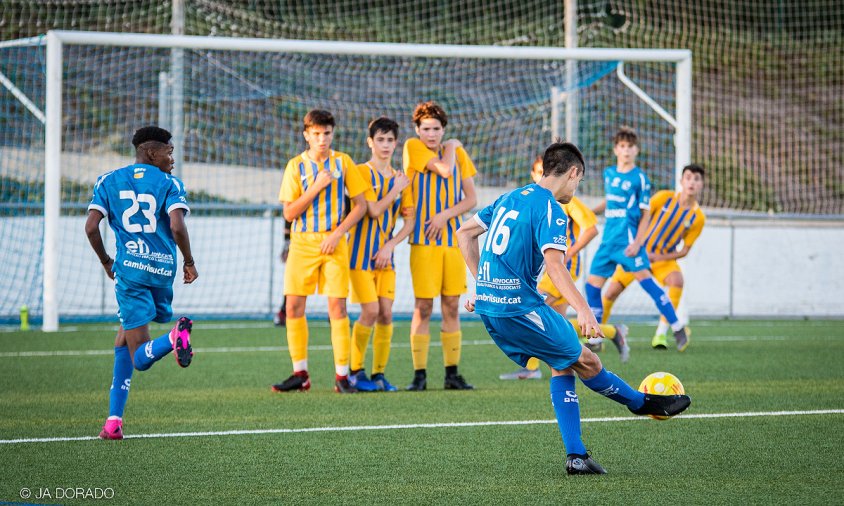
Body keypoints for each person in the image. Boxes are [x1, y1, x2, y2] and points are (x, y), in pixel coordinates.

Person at [456, 141, 691, 475]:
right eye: (579, 182)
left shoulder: (511, 197)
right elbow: (556, 266)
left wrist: (482, 284)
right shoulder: (552, 209)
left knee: (562, 363)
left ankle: (577, 456)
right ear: (572, 172)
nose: (576, 188)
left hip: (494, 307)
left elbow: (464, 232)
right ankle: (641, 404)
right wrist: (584, 309)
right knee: (587, 359)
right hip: (520, 309)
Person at [85, 126, 197, 440]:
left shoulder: (108, 181)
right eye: (169, 152)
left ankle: (173, 337)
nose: (172, 159)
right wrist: (188, 261)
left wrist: (108, 262)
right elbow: (176, 226)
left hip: (131, 275)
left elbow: (92, 227)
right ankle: (113, 421)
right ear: (151, 152)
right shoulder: (170, 183)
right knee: (123, 342)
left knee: (140, 358)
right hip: (162, 273)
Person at [500, 156, 629, 381]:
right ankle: (612, 332)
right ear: (536, 175)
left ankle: (531, 368)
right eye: (539, 171)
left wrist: (570, 251)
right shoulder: (535, 201)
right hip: (548, 269)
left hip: (561, 268)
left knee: (530, 311)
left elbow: (591, 228)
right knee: (556, 323)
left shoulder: (565, 201)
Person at [271, 109, 371, 394]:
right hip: (303, 243)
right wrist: (316, 187)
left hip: (335, 242)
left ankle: (342, 377)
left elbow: (361, 206)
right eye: (316, 134)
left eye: (327, 133)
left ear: (332, 133)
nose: (322, 139)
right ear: (306, 135)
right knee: (293, 307)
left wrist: (338, 233)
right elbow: (289, 213)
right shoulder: (295, 166)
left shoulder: (344, 162)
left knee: (337, 307)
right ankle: (300, 374)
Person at [585, 127, 689, 351]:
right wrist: (589, 213)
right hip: (608, 242)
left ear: (636, 150)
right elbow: (609, 202)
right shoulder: (609, 174)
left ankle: (677, 326)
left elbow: (646, 213)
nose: (626, 151)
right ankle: (595, 338)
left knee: (648, 284)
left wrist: (638, 243)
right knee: (592, 287)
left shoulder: (640, 178)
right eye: (622, 146)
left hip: (629, 242)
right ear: (615, 149)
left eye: (630, 147)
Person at [403, 101, 477, 391]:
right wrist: (452, 146)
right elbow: (445, 170)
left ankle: (451, 374)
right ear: (417, 130)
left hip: (452, 241)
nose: (431, 134)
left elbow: (471, 199)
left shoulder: (458, 154)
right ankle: (419, 375)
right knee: (422, 307)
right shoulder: (414, 147)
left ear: (443, 129)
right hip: (423, 242)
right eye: (426, 129)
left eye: (436, 129)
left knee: (451, 306)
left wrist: (445, 215)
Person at [601, 164, 706, 349]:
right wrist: (636, 243)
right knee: (610, 293)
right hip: (638, 254)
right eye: (688, 177)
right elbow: (642, 214)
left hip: (662, 259)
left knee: (677, 280)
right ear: (681, 181)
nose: (692, 182)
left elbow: (684, 250)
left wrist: (659, 257)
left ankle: (660, 335)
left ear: (701, 184)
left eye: (696, 179)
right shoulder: (664, 198)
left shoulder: (698, 217)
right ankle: (596, 335)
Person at [346, 117, 416, 392]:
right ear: (370, 142)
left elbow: (409, 222)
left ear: (396, 143)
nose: (385, 145)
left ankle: (378, 374)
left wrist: (390, 245)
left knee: (386, 314)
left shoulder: (400, 179)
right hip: (360, 257)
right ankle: (354, 371)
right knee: (371, 311)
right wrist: (396, 189)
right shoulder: (361, 172)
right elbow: (372, 210)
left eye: (390, 140)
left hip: (385, 258)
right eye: (380, 140)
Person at [274, 217, 292, 327]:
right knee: (294, 282)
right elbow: (288, 215)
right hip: (300, 243)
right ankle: (284, 311)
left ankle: (335, 313)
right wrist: (286, 245)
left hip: (328, 237)